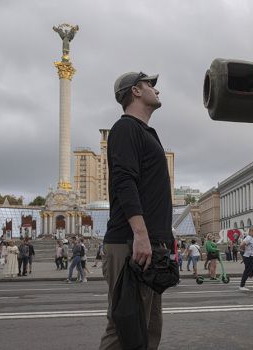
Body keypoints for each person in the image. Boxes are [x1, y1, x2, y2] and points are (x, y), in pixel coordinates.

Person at [99, 69, 174, 350]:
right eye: (149, 84)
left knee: (149, 327)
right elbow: (124, 181)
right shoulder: (126, 128)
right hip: (130, 243)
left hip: (148, 244)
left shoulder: (144, 131)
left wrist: (164, 239)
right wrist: (140, 235)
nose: (156, 89)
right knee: (124, 328)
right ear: (135, 91)